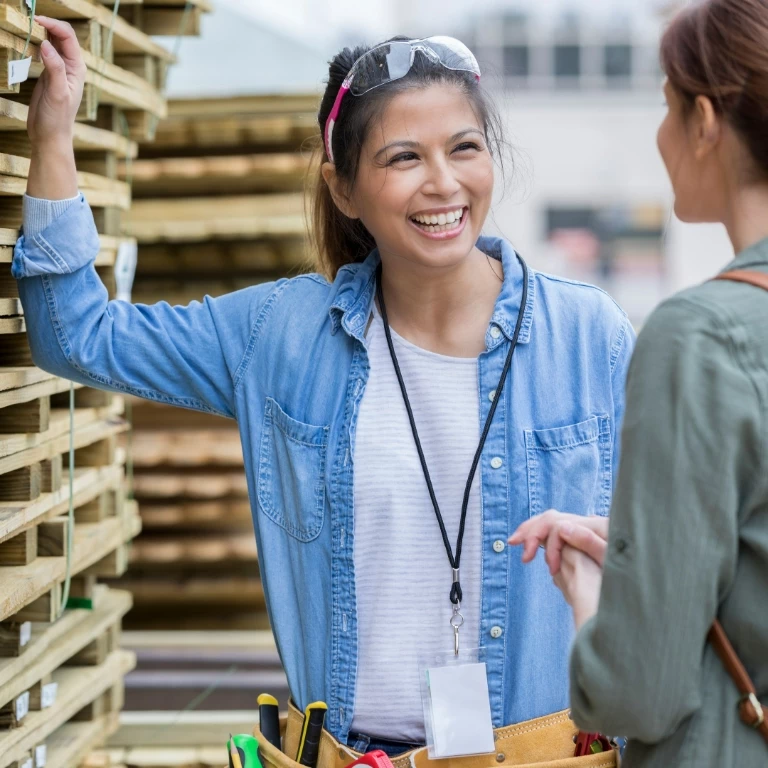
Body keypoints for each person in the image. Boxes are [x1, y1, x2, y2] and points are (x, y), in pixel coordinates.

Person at [15, 19, 634, 756]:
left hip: (545, 756)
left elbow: (667, 566)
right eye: (403, 157)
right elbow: (76, 337)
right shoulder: (279, 335)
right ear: (344, 189)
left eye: (464, 148)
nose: (443, 181)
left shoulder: (588, 335)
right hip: (354, 751)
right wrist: (54, 134)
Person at [510, 0, 768, 765]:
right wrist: (644, 552)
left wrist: (593, 593)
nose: (660, 136)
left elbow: (636, 688)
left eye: (664, 106)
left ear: (703, 119)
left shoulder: (698, 335)